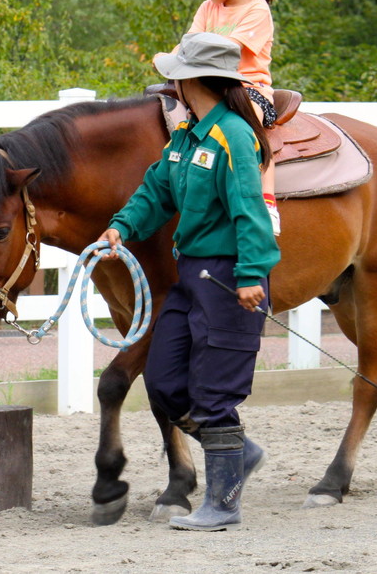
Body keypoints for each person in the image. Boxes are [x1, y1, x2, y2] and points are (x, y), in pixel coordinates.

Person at [99, 32, 281, 531]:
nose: (170, 82)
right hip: (191, 275)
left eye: (175, 75)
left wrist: (251, 274)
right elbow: (156, 189)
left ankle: (223, 504)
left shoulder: (233, 136)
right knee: (163, 381)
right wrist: (121, 226)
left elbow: (250, 209)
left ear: (192, 79)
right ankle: (239, 453)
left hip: (228, 277)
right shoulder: (186, 135)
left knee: (215, 392)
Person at [156, 0, 281, 235]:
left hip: (247, 87)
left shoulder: (257, 10)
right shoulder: (208, 8)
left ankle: (266, 201)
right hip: (209, 87)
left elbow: (227, 52)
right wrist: (171, 56)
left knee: (248, 128)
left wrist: (184, 55)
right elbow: (189, 42)